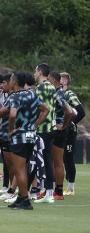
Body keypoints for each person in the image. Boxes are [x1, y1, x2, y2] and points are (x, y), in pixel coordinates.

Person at [7, 72, 49, 210]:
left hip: (19, 137)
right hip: (31, 136)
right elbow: (46, 110)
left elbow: (12, 114)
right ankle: (20, 199)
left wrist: (10, 130)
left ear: (14, 82)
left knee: (18, 170)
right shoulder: (32, 94)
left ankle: (26, 201)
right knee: (23, 169)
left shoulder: (15, 96)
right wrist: (35, 125)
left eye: (11, 79)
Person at [33, 63, 57, 204]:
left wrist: (34, 125)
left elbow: (40, 108)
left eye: (35, 71)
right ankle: (49, 193)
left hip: (42, 129)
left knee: (35, 161)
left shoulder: (41, 87)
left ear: (40, 72)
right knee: (47, 161)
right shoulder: (51, 87)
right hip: (51, 129)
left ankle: (21, 193)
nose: (34, 73)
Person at [47, 71, 73, 200]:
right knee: (52, 160)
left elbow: (70, 112)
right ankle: (52, 190)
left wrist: (62, 125)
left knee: (57, 161)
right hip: (56, 129)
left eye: (48, 79)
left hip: (59, 130)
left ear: (52, 80)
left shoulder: (59, 93)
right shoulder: (58, 92)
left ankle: (59, 191)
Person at [60, 72, 85, 196]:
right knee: (60, 158)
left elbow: (81, 111)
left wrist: (70, 123)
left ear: (64, 81)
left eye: (59, 79)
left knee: (68, 158)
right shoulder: (57, 94)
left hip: (69, 132)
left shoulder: (69, 94)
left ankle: (71, 188)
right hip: (59, 130)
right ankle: (57, 186)